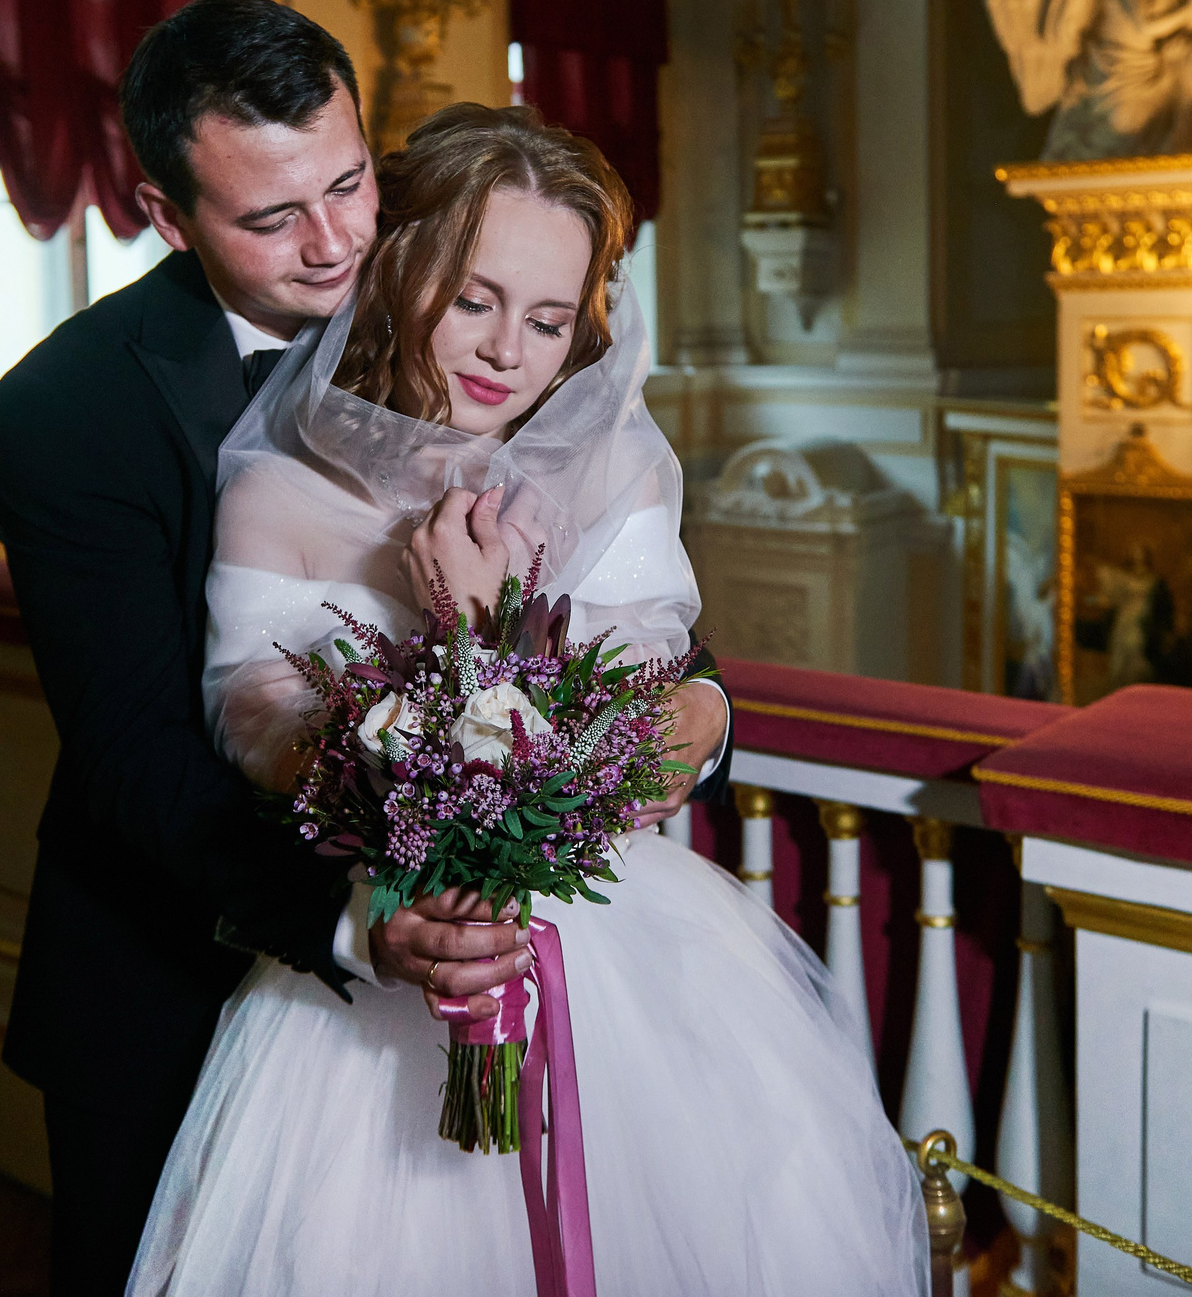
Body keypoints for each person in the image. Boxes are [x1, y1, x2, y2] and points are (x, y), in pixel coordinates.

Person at [0, 0, 736, 1295]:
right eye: (273, 217)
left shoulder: (501, 328)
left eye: (349, 185)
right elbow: (131, 753)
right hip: (187, 972)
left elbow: (652, 634)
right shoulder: (74, 406)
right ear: (169, 215)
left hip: (526, 959)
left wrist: (711, 713)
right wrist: (359, 923)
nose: (336, 243)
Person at [125, 104, 927, 1296]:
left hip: (619, 959)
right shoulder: (281, 486)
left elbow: (651, 712)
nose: (510, 349)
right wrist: (410, 732)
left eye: (550, 318)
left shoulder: (614, 465)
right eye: (474, 300)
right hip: (383, 960)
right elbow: (253, 721)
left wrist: (485, 637)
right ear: (399, 274)